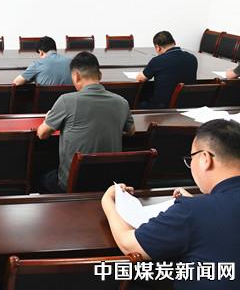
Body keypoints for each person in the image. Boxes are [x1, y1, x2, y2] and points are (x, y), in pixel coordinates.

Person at [102, 119, 240, 289]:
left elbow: (128, 244)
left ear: (205, 159)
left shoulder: (191, 212)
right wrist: (200, 205)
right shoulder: (198, 209)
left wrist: (107, 201)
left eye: (191, 158)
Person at [36, 51, 135, 193]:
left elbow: (42, 134)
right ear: (100, 75)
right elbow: (131, 131)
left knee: (41, 175)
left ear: (76, 76)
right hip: (109, 186)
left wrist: (49, 118)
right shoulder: (122, 102)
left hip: (72, 185)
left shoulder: (66, 101)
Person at [136, 31, 198, 108]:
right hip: (188, 104)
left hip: (163, 107)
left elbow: (140, 79)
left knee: (138, 102)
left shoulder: (158, 61)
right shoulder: (192, 58)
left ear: (158, 47)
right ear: (174, 42)